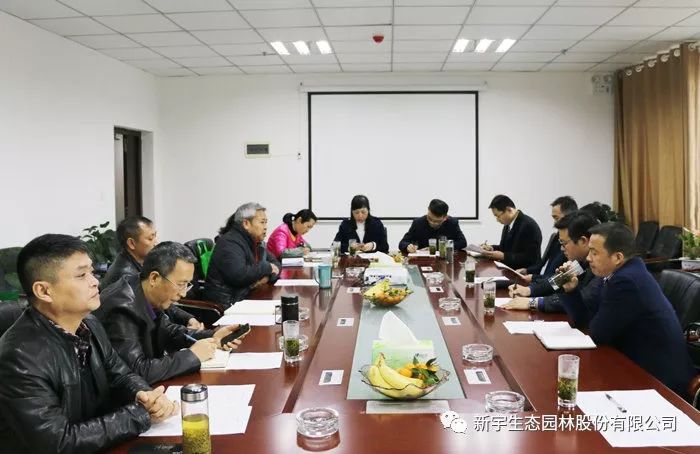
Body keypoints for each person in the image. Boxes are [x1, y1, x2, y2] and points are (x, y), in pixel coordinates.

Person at [0, 234, 177, 452]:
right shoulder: (20, 358)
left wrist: (145, 395)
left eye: (92, 272)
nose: (95, 281)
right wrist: (139, 415)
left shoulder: (88, 323)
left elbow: (120, 374)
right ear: (44, 291)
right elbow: (58, 443)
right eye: (81, 275)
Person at [559, 222, 695, 397]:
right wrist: (571, 290)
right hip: (633, 364)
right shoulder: (617, 273)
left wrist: (591, 320)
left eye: (594, 252)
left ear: (617, 257)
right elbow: (584, 321)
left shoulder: (626, 281)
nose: (588, 258)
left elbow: (597, 334)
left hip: (659, 382)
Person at [97, 242, 244, 384]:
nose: (183, 294)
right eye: (180, 284)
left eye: (187, 284)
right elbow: (137, 371)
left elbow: (168, 331)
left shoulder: (148, 291)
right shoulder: (122, 308)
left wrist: (212, 336)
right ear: (154, 278)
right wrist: (192, 356)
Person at [100, 216, 203, 330]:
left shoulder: (142, 262)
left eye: (155, 236)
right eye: (150, 238)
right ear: (132, 243)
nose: (155, 243)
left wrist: (187, 318)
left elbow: (162, 299)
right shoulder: (124, 275)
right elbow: (153, 322)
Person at [505, 211, 600, 313]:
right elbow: (556, 282)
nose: (562, 249)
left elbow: (582, 299)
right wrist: (529, 290)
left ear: (583, 241)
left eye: (564, 243)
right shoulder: (581, 262)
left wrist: (533, 303)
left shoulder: (600, 267)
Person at [205, 203, 280, 308]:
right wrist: (267, 268)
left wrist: (267, 277)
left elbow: (276, 264)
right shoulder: (229, 243)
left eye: (266, 223)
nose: (265, 227)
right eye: (262, 222)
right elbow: (239, 275)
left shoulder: (255, 242)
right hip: (228, 305)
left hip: (246, 297)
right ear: (246, 224)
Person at [516, 196, 577, 285]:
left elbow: (557, 281)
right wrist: (528, 271)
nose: (562, 248)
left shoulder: (579, 260)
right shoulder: (556, 236)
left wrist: (532, 288)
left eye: (556, 218)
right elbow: (553, 278)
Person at [481, 195, 542, 270]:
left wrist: (504, 256)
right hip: (509, 268)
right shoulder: (508, 224)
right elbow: (505, 248)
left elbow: (530, 258)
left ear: (509, 210)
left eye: (498, 216)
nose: (497, 220)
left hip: (523, 272)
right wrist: (491, 248)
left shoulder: (528, 225)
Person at [399, 199, 467, 253]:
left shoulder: (452, 223)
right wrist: (408, 247)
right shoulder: (418, 223)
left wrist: (436, 248)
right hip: (423, 261)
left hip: (445, 259)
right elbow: (403, 243)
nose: (432, 223)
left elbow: (462, 242)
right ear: (428, 210)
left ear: (445, 217)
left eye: (437, 221)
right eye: (429, 218)